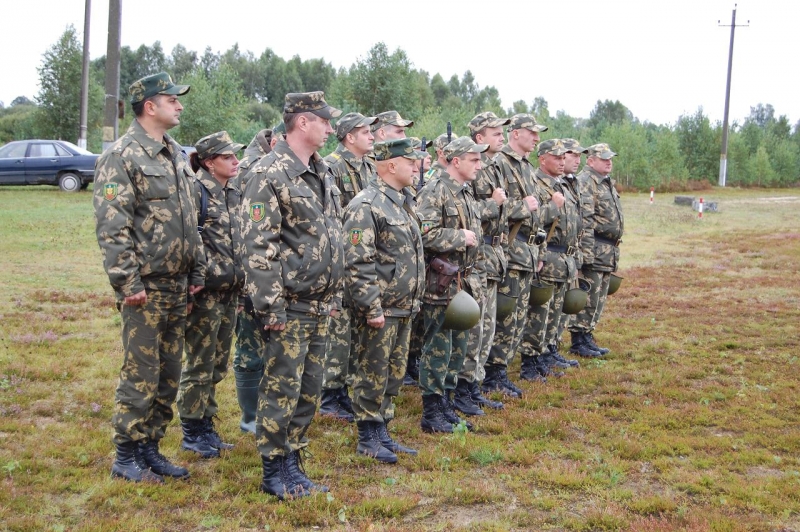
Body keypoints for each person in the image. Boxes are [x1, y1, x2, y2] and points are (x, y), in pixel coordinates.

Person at [94, 72, 205, 483]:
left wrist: (196, 269)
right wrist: (127, 283)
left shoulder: (174, 153)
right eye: (172, 99)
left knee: (168, 373)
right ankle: (126, 454)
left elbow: (190, 219)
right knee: (141, 372)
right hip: (146, 287)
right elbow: (113, 226)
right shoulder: (122, 156)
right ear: (150, 105)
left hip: (178, 284)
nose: (179, 105)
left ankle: (150, 447)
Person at [240, 91, 343, 500]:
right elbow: (257, 246)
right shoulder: (268, 173)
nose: (330, 128)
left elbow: (331, 236)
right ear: (302, 121)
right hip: (290, 305)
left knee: (309, 389)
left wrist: (334, 295)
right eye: (324, 120)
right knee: (281, 388)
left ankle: (293, 461)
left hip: (319, 303)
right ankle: (273, 469)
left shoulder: (322, 171)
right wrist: (271, 307)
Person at [343, 138, 426, 463]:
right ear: (391, 165)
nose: (416, 167)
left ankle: (382, 430)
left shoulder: (401, 202)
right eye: (410, 162)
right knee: (372, 372)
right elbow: (357, 261)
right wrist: (370, 307)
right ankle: (367, 436)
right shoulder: (366, 204)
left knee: (393, 373)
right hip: (381, 308)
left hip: (402, 305)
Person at [176, 131, 245, 458]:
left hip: (230, 292)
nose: (236, 162)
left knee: (217, 364)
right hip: (205, 292)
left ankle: (205, 423)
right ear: (208, 162)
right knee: (199, 363)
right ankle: (192, 429)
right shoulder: (195, 191)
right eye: (227, 157)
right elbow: (187, 239)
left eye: (235, 156)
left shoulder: (233, 191)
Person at [416, 136, 485, 433]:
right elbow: (423, 233)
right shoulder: (435, 190)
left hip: (462, 282)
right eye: (474, 160)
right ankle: (432, 411)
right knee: (438, 347)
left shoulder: (465, 192)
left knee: (457, 347)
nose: (479, 165)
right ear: (456, 161)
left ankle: (446, 402)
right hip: (441, 285)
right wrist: (459, 237)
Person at [319, 112, 379, 422]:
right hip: (341, 256)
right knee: (339, 330)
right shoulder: (331, 166)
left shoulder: (369, 166)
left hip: (364, 255)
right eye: (365, 131)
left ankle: (348, 384)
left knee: (357, 325)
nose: (372, 136)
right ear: (349, 137)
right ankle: (331, 393)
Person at [482, 114, 547, 398]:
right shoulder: (500, 163)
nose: (537, 138)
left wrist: (538, 249)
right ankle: (493, 372)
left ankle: (503, 369)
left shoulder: (525, 166)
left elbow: (536, 214)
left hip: (526, 251)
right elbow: (495, 208)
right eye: (532, 133)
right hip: (509, 250)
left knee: (518, 315)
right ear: (516, 133)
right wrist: (522, 206)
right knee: (504, 316)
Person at [453, 112, 511, 416]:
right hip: (477, 256)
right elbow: (466, 211)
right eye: (496, 133)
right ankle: (463, 387)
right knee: (475, 326)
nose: (502, 138)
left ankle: (474, 383)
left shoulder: (494, 167)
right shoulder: (471, 170)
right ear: (479, 137)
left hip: (491, 256)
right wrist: (494, 203)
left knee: (487, 327)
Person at [231, 122, 284, 435]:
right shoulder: (253, 168)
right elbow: (249, 229)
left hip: (276, 273)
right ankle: (250, 415)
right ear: (276, 141)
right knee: (250, 346)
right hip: (252, 271)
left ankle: (269, 409)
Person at [518, 139, 580, 382]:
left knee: (554, 313)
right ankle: (531, 362)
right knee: (539, 313)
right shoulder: (536, 183)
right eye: (557, 157)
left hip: (562, 258)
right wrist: (554, 206)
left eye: (564, 157)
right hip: (547, 255)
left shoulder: (560, 184)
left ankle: (547, 352)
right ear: (542, 159)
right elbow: (533, 221)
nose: (562, 161)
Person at [569, 143, 624, 358]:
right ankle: (579, 339)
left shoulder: (605, 181)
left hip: (607, 249)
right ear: (590, 160)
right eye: (604, 159)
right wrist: (587, 254)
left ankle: (587, 334)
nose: (609, 162)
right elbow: (586, 220)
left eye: (610, 158)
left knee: (599, 296)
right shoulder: (586, 182)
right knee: (589, 295)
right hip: (595, 247)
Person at [555, 138, 588, 360]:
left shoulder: (572, 183)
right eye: (572, 155)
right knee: (552, 307)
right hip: (554, 253)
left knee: (563, 305)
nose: (577, 160)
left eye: (579, 156)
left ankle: (553, 348)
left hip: (570, 253)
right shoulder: (555, 183)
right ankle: (545, 351)